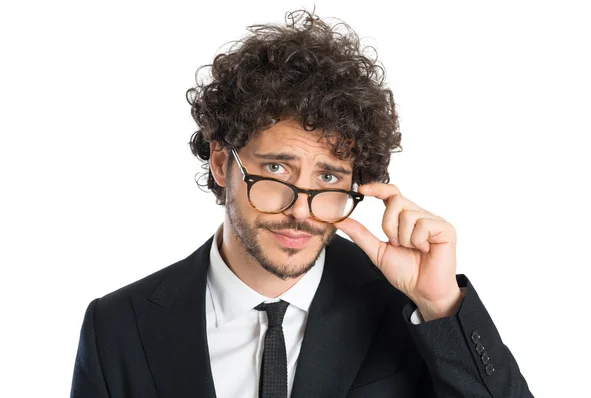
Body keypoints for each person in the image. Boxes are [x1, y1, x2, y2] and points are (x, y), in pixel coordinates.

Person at [70, 8, 533, 398]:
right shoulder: (116, 328)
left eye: (328, 178)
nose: (303, 210)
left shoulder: (406, 307)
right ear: (220, 163)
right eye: (276, 170)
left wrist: (440, 304)